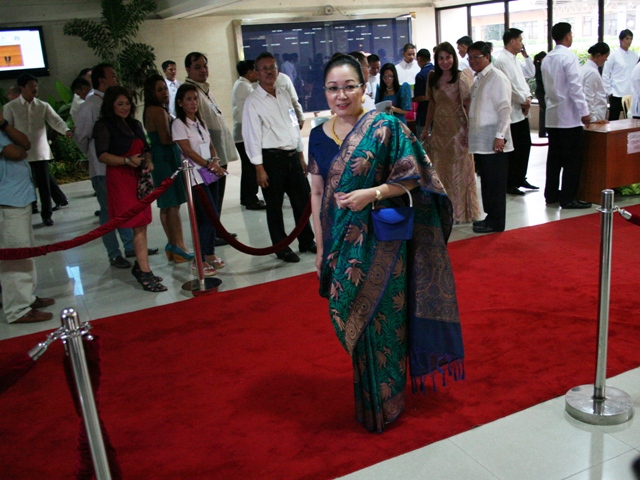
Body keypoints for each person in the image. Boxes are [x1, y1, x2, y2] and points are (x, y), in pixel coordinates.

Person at [308, 54, 463, 433]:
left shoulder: (386, 127)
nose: (341, 95)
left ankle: (388, 401)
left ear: (364, 88)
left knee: (384, 320)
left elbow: (415, 176)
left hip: (382, 243)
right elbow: (316, 192)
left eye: (349, 86)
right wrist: (320, 247)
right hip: (340, 245)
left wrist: (372, 193)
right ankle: (369, 396)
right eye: (333, 88)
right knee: (351, 316)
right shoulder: (317, 135)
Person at [242, 52, 316, 263]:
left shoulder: (283, 93)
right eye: (264, 68)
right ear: (256, 73)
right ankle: (281, 247)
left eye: (272, 67)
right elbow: (251, 136)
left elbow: (293, 126)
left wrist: (300, 154)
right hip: (271, 160)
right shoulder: (253, 102)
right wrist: (259, 168)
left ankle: (306, 240)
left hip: (292, 157)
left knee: (302, 201)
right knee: (274, 207)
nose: (269, 72)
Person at [93, 86, 166, 292]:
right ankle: (144, 271)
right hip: (120, 178)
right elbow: (102, 155)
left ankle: (143, 268)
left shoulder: (134, 124)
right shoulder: (104, 125)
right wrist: (126, 161)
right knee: (136, 223)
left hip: (139, 178)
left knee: (141, 224)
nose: (124, 107)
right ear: (111, 105)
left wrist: (148, 161)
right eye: (120, 104)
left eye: (127, 103)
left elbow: (146, 148)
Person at [74, 63, 137, 269]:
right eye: (113, 76)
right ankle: (113, 253)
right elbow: (81, 137)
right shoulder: (90, 105)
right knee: (108, 212)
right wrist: (93, 155)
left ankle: (130, 246)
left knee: (123, 207)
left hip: (122, 167)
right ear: (102, 81)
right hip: (103, 169)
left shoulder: (113, 103)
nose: (117, 79)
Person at [0, 110, 56, 324]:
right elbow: (17, 153)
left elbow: (25, 144)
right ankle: (18, 309)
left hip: (18, 198)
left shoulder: (2, 129)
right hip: (6, 201)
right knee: (15, 257)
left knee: (25, 252)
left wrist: (4, 124)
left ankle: (28, 298)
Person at [184, 52, 239, 245]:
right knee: (209, 199)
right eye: (197, 67)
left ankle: (216, 230)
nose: (203, 70)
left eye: (205, 66)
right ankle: (209, 235)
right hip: (206, 156)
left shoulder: (205, 89)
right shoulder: (191, 91)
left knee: (217, 195)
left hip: (217, 153)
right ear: (188, 69)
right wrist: (209, 159)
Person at [421, 42, 479, 224]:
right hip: (439, 131)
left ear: (453, 58)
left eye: (448, 57)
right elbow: (431, 105)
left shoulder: (461, 77)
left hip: (458, 129)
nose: (445, 61)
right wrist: (426, 128)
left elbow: (468, 105)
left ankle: (459, 212)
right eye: (441, 58)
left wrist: (469, 130)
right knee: (439, 170)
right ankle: (442, 211)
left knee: (458, 170)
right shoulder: (432, 77)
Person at [172, 83, 226, 277]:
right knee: (207, 216)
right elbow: (187, 150)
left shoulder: (199, 121)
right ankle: (199, 259)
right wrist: (208, 164)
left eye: (195, 98)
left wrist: (215, 160)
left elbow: (209, 144)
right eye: (189, 99)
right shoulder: (179, 124)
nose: (193, 102)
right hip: (195, 176)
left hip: (209, 173)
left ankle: (209, 252)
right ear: (180, 102)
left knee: (213, 215)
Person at [3, 73, 70, 226]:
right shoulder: (10, 107)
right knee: (24, 184)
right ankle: (27, 211)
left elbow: (56, 121)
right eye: (31, 86)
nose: (35, 89)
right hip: (20, 154)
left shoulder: (43, 105)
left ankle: (47, 215)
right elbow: (7, 129)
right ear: (22, 88)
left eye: (36, 86)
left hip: (40, 152)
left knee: (44, 185)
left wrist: (66, 131)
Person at [143, 74, 193, 263]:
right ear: (151, 93)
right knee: (172, 204)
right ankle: (178, 245)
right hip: (165, 158)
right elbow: (165, 138)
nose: (164, 92)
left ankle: (173, 244)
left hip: (163, 156)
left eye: (165, 88)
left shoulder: (154, 110)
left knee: (167, 204)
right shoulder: (156, 110)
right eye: (159, 90)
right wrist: (183, 136)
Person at [541, 22, 592, 209]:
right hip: (569, 118)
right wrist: (584, 112)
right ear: (567, 36)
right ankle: (568, 197)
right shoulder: (568, 57)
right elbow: (575, 88)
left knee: (554, 159)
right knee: (572, 161)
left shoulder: (547, 58)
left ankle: (551, 194)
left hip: (553, 116)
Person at [467, 41, 514, 234]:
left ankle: (497, 222)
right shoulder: (479, 78)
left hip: (494, 138)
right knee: (486, 181)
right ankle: (490, 217)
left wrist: (500, 136)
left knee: (496, 182)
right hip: (481, 139)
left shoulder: (497, 77)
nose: (472, 61)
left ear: (487, 57)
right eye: (470, 58)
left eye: (476, 57)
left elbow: (505, 109)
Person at [494, 28, 539, 196]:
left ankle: (520, 177)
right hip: (511, 112)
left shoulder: (514, 59)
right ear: (512, 41)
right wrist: (523, 100)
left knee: (525, 145)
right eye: (520, 40)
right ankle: (511, 182)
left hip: (522, 110)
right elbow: (509, 87)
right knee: (514, 149)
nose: (521, 43)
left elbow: (525, 79)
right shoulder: (502, 60)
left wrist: (528, 97)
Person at [232, 60, 266, 210]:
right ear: (250, 72)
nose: (258, 74)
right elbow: (259, 104)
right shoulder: (245, 87)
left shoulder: (240, 84)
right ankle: (250, 199)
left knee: (248, 168)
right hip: (243, 133)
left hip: (240, 132)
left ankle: (247, 197)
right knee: (251, 168)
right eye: (256, 71)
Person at [602, 29, 638, 121]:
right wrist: (609, 91)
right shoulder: (613, 55)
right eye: (627, 38)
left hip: (630, 92)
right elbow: (605, 73)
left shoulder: (634, 55)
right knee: (613, 119)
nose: (629, 41)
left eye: (631, 39)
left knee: (630, 119)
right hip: (616, 93)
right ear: (621, 40)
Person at [580, 43, 611, 124]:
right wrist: (593, 119)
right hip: (594, 117)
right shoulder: (592, 72)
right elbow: (588, 97)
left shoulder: (585, 68)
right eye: (606, 56)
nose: (606, 59)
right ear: (599, 55)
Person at [412, 48, 434, 139]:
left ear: (419, 59)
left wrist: (410, 98)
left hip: (424, 113)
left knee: (423, 142)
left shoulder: (420, 75)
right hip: (437, 114)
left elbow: (421, 97)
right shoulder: (437, 71)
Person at [534, 52, 547, 137]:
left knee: (543, 112)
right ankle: (543, 131)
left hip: (541, 91)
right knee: (545, 111)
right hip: (541, 92)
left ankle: (542, 131)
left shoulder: (539, 66)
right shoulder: (539, 67)